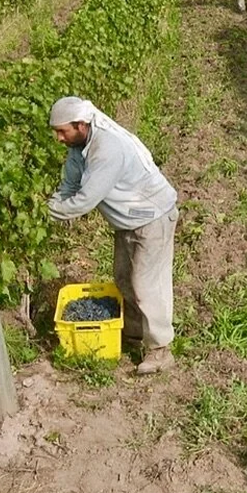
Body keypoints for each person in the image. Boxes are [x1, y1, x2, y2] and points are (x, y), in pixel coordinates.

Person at [47, 96, 179, 375]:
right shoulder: (78, 148)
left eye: (62, 131)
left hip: (153, 217)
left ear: (81, 125)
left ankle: (160, 349)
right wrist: (54, 202)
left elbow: (85, 200)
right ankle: (132, 332)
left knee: (147, 284)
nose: (58, 138)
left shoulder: (107, 149)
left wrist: (46, 212)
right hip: (127, 222)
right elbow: (69, 186)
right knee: (122, 278)